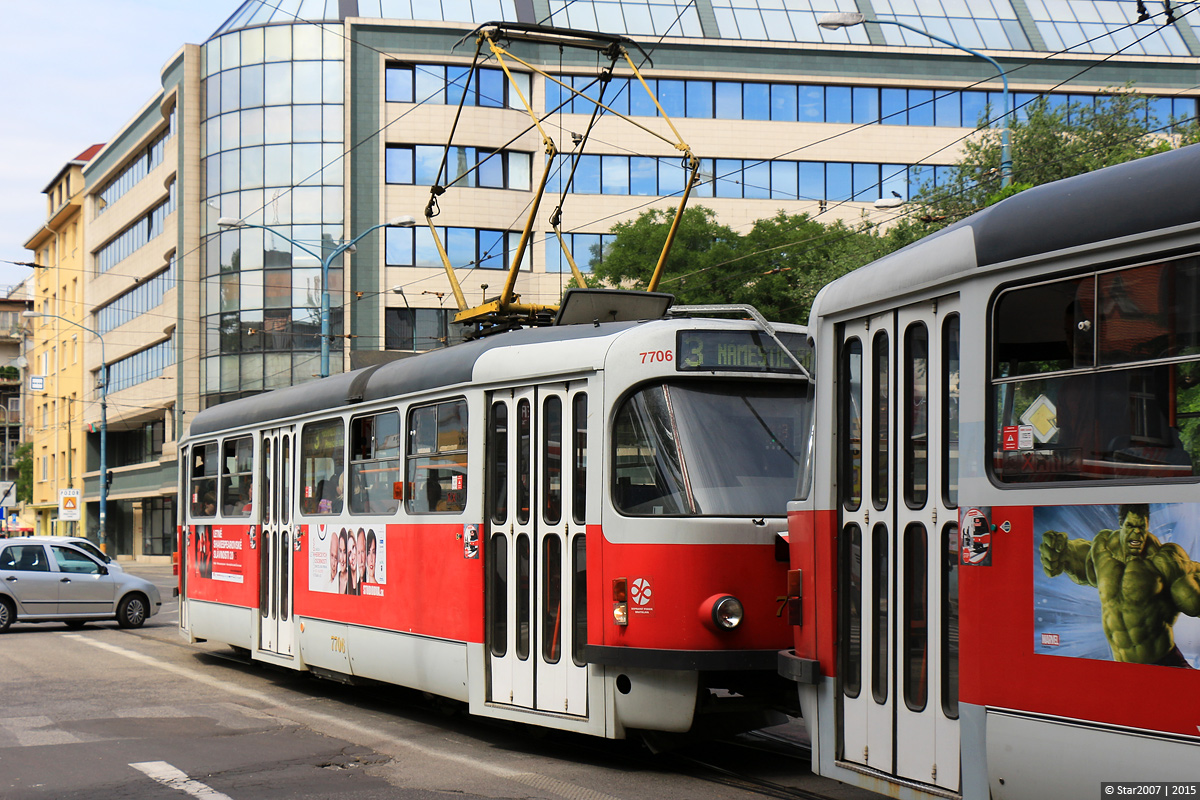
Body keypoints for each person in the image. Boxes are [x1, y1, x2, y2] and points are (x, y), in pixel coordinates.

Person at [1040, 503, 1200, 666]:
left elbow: (1192, 599)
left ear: (1147, 525)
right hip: (1122, 667)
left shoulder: (1164, 560)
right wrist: (1060, 553)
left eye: (1141, 526)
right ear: (1121, 524)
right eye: (1130, 525)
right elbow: (1080, 564)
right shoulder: (1102, 549)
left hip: (1165, 663)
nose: (1137, 532)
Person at [345, 529, 360, 596]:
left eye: (353, 547)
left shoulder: (363, 580)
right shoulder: (345, 587)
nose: (353, 557)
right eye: (349, 553)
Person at [336, 529, 349, 594]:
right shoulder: (335, 579)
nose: (342, 559)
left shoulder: (352, 580)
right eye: (340, 551)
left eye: (344, 552)